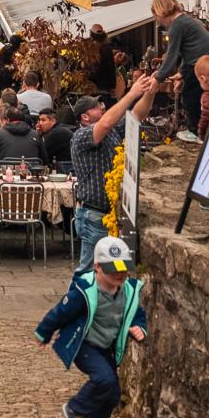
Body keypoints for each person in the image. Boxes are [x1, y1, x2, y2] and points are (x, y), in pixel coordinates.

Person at [34, 235, 147, 418]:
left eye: (123, 269)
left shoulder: (129, 291)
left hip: (107, 346)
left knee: (112, 393)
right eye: (113, 270)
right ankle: (76, 409)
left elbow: (137, 313)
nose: (119, 274)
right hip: (85, 344)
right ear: (97, 267)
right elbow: (61, 312)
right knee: (103, 379)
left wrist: (140, 328)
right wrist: (44, 331)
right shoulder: (84, 291)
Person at [72, 77, 156, 272]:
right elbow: (107, 123)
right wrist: (132, 93)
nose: (102, 108)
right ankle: (73, 302)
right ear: (85, 117)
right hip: (94, 214)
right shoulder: (81, 136)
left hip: (109, 213)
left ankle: (96, 301)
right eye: (96, 106)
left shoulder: (110, 131)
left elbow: (136, 114)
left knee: (108, 270)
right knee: (88, 270)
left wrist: (150, 92)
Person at [150, 0, 209, 142]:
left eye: (155, 16)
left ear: (160, 11)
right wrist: (182, 73)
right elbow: (187, 52)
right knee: (203, 98)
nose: (157, 21)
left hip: (201, 64)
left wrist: (158, 79)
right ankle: (203, 131)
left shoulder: (176, 26)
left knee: (190, 97)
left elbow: (171, 56)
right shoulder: (186, 20)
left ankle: (196, 132)